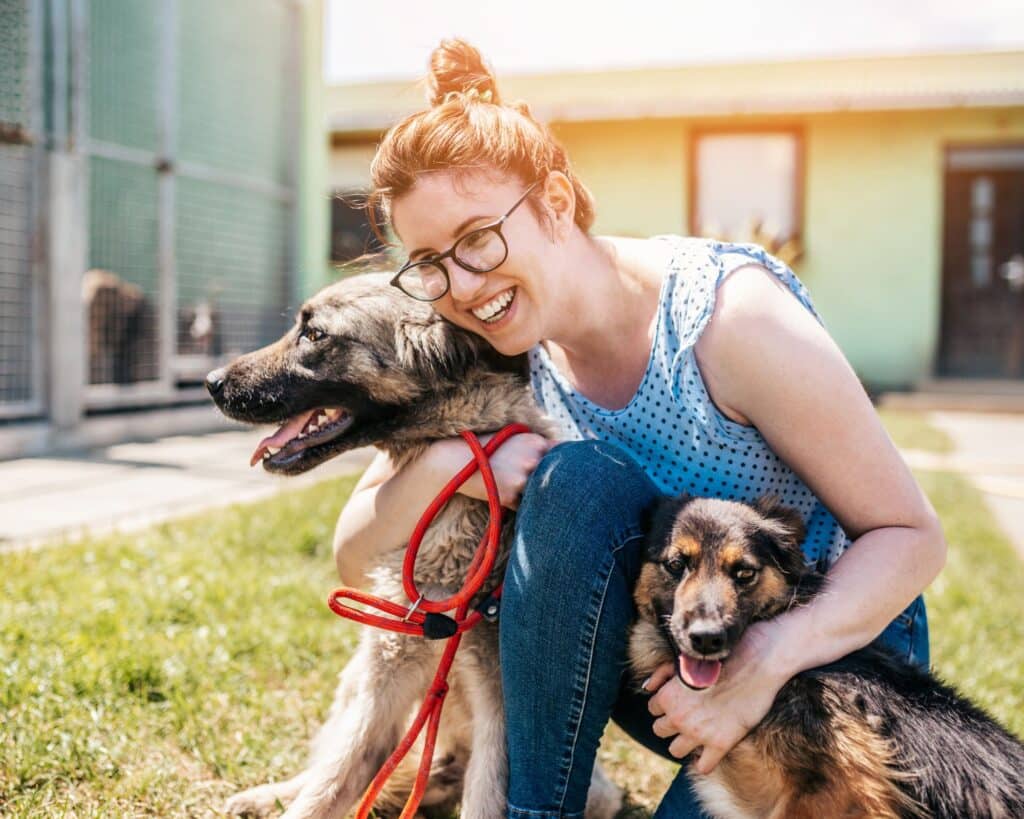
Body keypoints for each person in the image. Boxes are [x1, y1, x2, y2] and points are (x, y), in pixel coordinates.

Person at [332, 38, 946, 818]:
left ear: (554, 201)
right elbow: (353, 551)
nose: (460, 284)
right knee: (577, 482)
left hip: (828, 659)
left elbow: (911, 534)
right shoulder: (505, 345)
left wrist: (763, 664)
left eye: (478, 239)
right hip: (680, 662)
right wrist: (449, 459)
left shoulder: (731, 320)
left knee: (575, 475)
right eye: (428, 261)